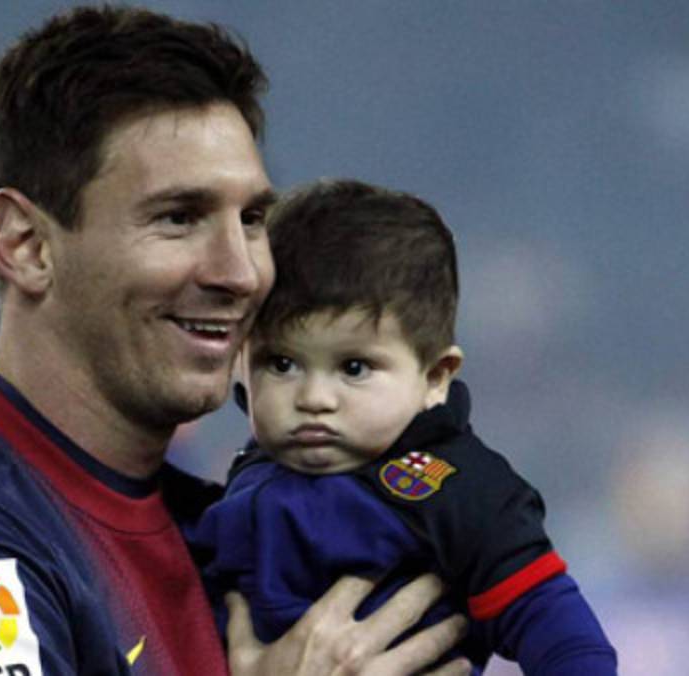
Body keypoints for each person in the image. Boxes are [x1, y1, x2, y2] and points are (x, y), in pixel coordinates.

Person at [0, 7, 470, 675]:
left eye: (251, 219)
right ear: (26, 244)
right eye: (179, 217)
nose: (240, 272)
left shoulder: (229, 534)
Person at [190, 179, 618, 674]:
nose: (313, 398)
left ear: (435, 377)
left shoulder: (462, 492)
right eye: (282, 364)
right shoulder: (240, 480)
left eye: (354, 368)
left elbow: (570, 644)